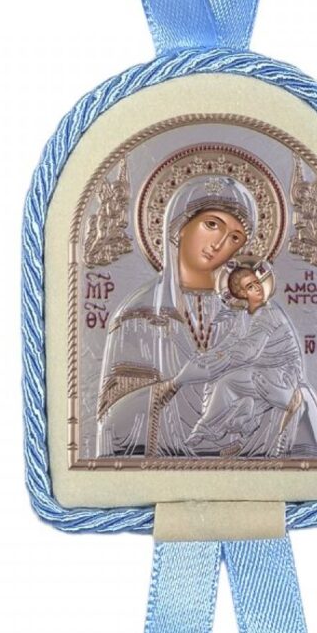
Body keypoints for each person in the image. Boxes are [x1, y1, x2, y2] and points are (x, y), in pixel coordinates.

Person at [95, 174, 257, 457]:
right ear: (180, 226)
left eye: (234, 238)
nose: (219, 243)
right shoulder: (139, 315)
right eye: (212, 225)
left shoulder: (248, 315)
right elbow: (110, 423)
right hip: (156, 469)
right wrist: (176, 384)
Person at [173, 260, 317, 459]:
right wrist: (211, 356)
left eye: (257, 283)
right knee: (221, 383)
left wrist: (222, 359)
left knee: (226, 383)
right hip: (261, 369)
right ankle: (216, 429)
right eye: (250, 287)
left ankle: (213, 429)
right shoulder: (245, 315)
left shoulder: (269, 313)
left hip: (281, 372)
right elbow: (231, 341)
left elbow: (250, 351)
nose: (257, 288)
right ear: (241, 294)